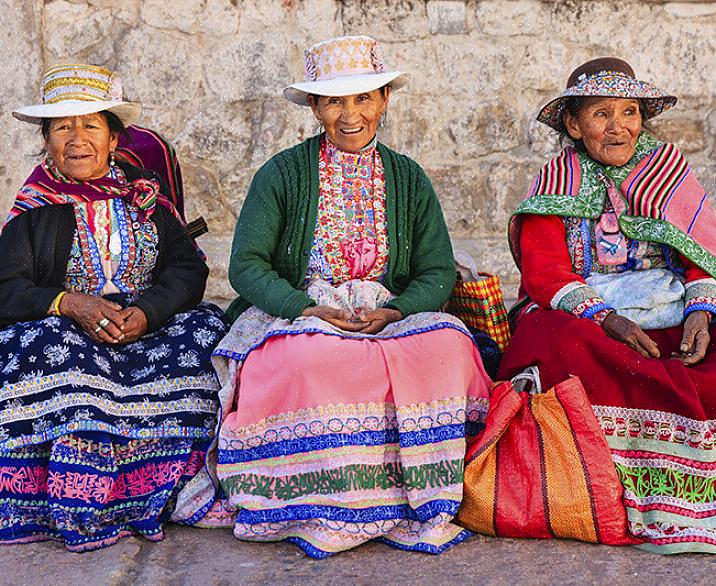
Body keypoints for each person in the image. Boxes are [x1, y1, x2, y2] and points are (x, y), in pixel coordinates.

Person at [176, 36, 492, 558]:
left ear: (385, 99)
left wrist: (397, 310)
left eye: (364, 98)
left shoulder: (408, 178)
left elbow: (436, 270)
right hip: (303, 309)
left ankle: (414, 496)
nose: (351, 114)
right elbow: (246, 266)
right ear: (317, 108)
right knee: (305, 357)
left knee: (448, 349)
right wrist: (306, 309)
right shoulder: (281, 174)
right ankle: (318, 500)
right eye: (336, 101)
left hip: (387, 313)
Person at [0, 64, 227, 551]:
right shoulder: (36, 206)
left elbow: (187, 270)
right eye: (62, 127)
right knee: (55, 358)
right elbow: (7, 288)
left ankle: (180, 489)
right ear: (47, 140)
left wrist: (148, 311)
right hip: (69, 330)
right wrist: (66, 303)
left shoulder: (144, 196)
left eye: (90, 125)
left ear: (112, 138)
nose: (77, 139)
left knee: (209, 343)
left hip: (145, 324)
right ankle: (80, 499)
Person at [499, 57, 716, 553]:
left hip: (670, 312)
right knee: (550, 337)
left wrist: (701, 313)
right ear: (574, 124)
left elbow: (702, 255)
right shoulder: (556, 180)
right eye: (601, 114)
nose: (619, 127)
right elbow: (545, 273)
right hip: (591, 318)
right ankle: (594, 492)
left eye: (630, 112)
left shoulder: (669, 173)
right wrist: (607, 319)